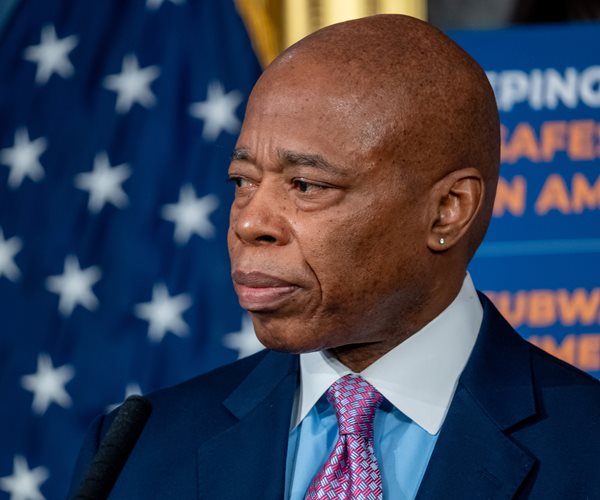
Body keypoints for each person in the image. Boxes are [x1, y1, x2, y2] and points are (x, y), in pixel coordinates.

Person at [69, 14, 600, 499]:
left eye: (306, 185)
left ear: (447, 210)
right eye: (242, 181)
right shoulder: (136, 452)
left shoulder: (585, 449)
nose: (249, 223)